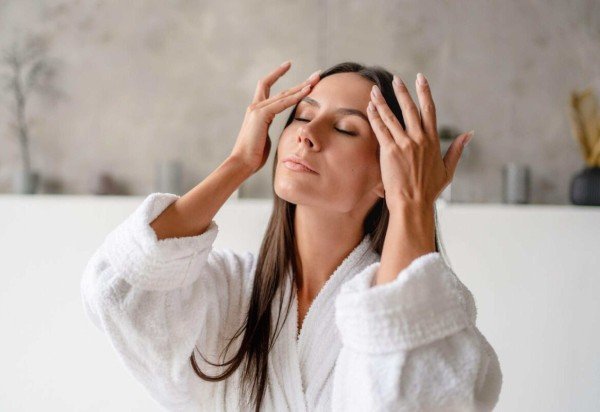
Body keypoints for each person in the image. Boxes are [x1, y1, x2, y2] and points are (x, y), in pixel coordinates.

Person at [81, 60, 502, 411]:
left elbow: (414, 395)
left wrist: (412, 202)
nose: (307, 134)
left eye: (345, 129)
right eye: (302, 115)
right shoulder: (232, 289)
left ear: (387, 174)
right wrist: (240, 162)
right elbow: (115, 289)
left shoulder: (418, 310)